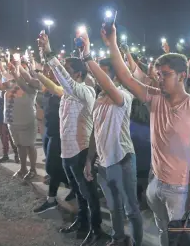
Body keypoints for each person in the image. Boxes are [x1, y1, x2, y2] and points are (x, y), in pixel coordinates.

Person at [102, 23, 190, 246]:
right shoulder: (155, 99)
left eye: (166, 75)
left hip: (179, 188)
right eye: (158, 74)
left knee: (179, 235)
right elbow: (125, 77)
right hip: (155, 181)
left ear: (183, 75)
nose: (160, 79)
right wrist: (112, 43)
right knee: (163, 229)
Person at [38, 33, 105, 246]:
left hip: (80, 151)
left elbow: (64, 82)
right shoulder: (68, 93)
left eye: (67, 69)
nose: (64, 73)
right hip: (67, 152)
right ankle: (82, 223)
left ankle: (96, 230)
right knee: (78, 193)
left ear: (77, 73)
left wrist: (49, 54)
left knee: (89, 194)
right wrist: (39, 72)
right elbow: (58, 85)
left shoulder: (84, 91)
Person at [80, 31, 143, 246]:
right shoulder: (99, 97)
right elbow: (95, 131)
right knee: (113, 206)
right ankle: (118, 239)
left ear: (115, 76)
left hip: (122, 159)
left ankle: (135, 242)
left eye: (104, 73)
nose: (98, 77)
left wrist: (88, 57)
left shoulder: (124, 95)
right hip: (104, 162)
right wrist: (90, 159)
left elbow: (107, 85)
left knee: (131, 208)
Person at [30, 63, 74, 213]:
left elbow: (56, 90)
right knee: (56, 167)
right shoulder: (46, 88)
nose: (49, 73)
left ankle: (73, 187)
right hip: (50, 129)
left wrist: (39, 74)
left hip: (61, 133)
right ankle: (53, 198)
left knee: (52, 167)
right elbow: (29, 82)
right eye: (47, 71)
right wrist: (19, 68)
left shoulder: (66, 88)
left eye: (52, 71)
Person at [0, 61, 38, 179]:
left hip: (27, 122)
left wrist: (18, 72)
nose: (17, 70)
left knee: (29, 146)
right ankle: (23, 168)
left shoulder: (31, 87)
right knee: (19, 146)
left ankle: (33, 170)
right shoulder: (11, 83)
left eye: (22, 69)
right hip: (12, 122)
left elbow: (22, 82)